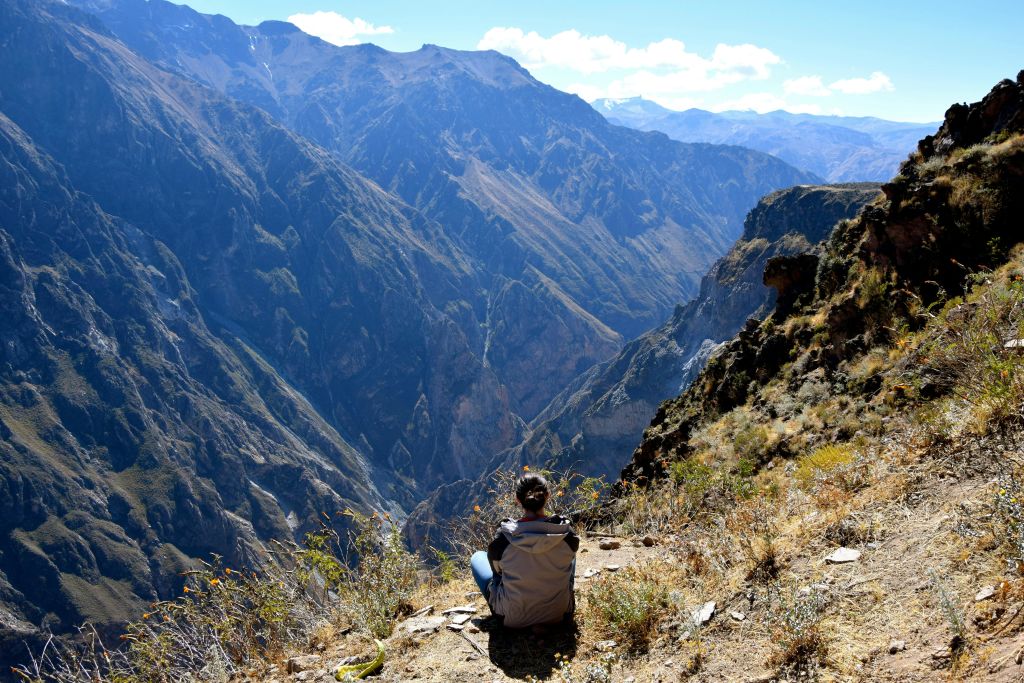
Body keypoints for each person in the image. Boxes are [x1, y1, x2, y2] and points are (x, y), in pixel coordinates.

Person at [470, 473, 579, 629]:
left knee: (477, 557)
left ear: (517, 499)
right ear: (547, 496)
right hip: (558, 614)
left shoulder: (504, 538)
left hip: (512, 618)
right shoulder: (567, 535)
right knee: (570, 558)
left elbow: (497, 573)